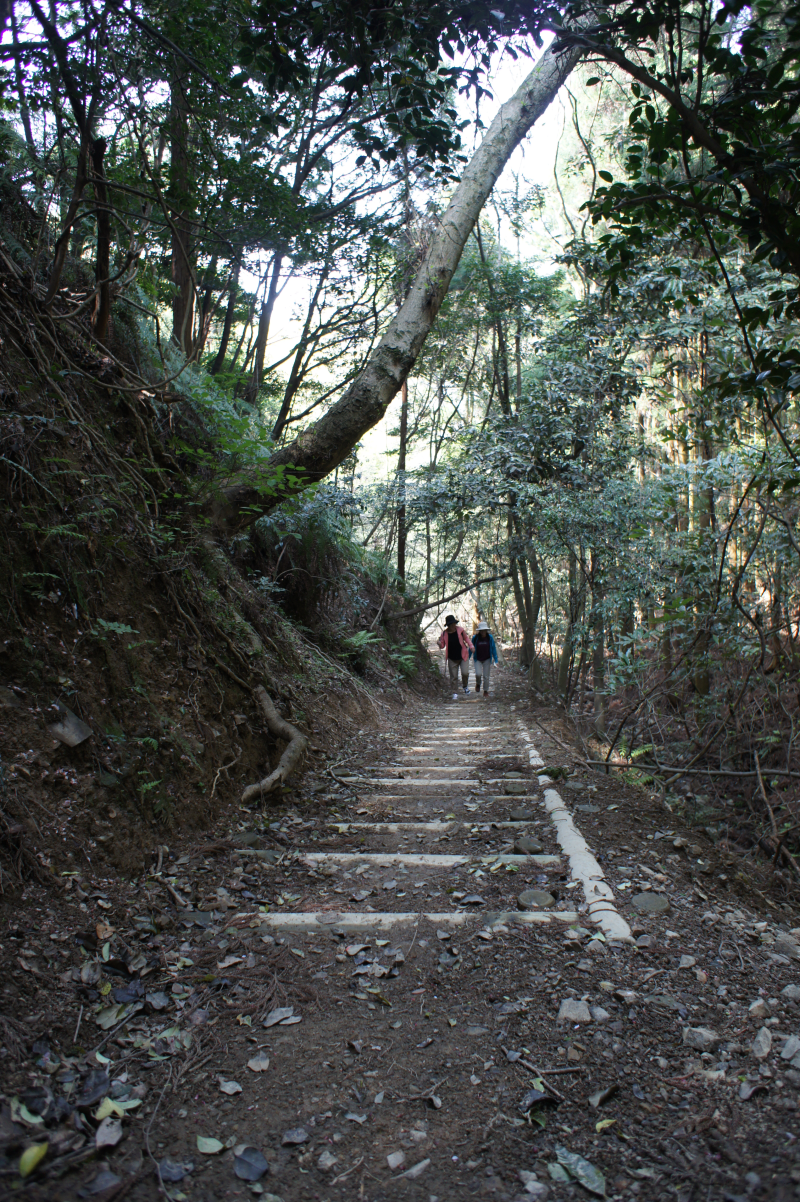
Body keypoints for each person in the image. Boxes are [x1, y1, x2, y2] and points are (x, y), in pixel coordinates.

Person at [437, 613, 473, 700]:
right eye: (451, 624)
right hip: (452, 658)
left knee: (465, 673)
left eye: (454, 624)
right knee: (454, 676)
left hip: (463, 655)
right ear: (448, 625)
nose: (453, 625)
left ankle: (465, 687)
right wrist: (438, 643)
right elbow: (442, 646)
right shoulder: (444, 634)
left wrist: (471, 646)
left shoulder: (460, 630)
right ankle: (455, 692)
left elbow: (466, 638)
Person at [472, 620, 498, 698]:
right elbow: (471, 647)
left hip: (487, 659)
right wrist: (467, 657)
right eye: (481, 631)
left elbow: (493, 648)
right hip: (478, 659)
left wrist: (496, 660)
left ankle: (485, 691)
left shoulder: (489, 638)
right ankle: (478, 683)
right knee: (478, 674)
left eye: (484, 630)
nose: (483, 632)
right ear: (479, 631)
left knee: (486, 676)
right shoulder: (475, 638)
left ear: (486, 630)